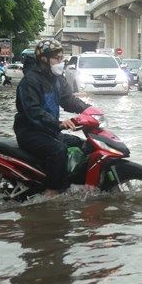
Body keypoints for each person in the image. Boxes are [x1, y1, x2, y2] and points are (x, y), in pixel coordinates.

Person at [14, 38, 90, 197]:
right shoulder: (30, 81)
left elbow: (69, 100)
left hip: (48, 131)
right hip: (30, 132)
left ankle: (72, 183)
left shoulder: (57, 79)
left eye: (62, 58)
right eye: (57, 58)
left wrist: (89, 109)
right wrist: (59, 123)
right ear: (44, 58)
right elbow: (33, 111)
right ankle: (52, 192)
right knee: (58, 150)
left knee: (83, 145)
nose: (61, 62)